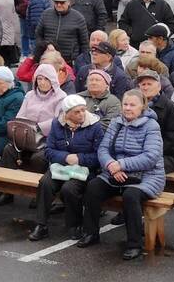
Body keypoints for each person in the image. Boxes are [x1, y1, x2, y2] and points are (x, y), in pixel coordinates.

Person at [76, 89, 165, 260]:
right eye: (125, 104)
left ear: (143, 107)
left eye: (133, 105)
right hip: (116, 172)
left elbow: (151, 157)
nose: (128, 108)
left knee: (131, 195)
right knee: (93, 187)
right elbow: (103, 149)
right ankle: (91, 233)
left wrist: (121, 165)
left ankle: (134, 244)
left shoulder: (151, 126)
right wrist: (111, 165)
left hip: (146, 176)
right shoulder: (116, 122)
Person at [28, 95, 104, 242]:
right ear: (67, 113)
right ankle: (41, 224)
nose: (82, 114)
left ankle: (75, 224)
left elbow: (99, 155)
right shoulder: (57, 124)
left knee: (69, 189)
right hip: (61, 166)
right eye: (77, 112)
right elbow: (49, 150)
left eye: (83, 110)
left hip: (84, 169)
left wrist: (79, 158)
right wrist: (65, 158)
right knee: (45, 183)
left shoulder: (95, 126)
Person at [0, 64, 65, 199]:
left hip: (46, 140)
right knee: (9, 150)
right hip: (27, 137)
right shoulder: (30, 95)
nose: (42, 82)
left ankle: (37, 193)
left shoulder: (61, 97)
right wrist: (24, 127)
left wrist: (38, 127)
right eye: (39, 79)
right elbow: (21, 115)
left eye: (46, 79)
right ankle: (7, 192)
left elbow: (58, 121)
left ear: (52, 80)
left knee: (38, 158)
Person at [136, 69, 174, 173]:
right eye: (143, 84)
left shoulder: (171, 108)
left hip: (166, 156)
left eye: (149, 84)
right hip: (137, 153)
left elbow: (172, 142)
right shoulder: (134, 106)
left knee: (140, 169)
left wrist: (147, 152)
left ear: (159, 86)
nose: (145, 87)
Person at [35, 0, 89, 66]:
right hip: (48, 59)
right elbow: (38, 35)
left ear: (68, 2)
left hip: (69, 61)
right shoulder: (46, 14)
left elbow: (84, 43)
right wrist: (46, 45)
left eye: (62, 2)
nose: (59, 5)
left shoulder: (78, 17)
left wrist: (83, 62)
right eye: (56, 2)